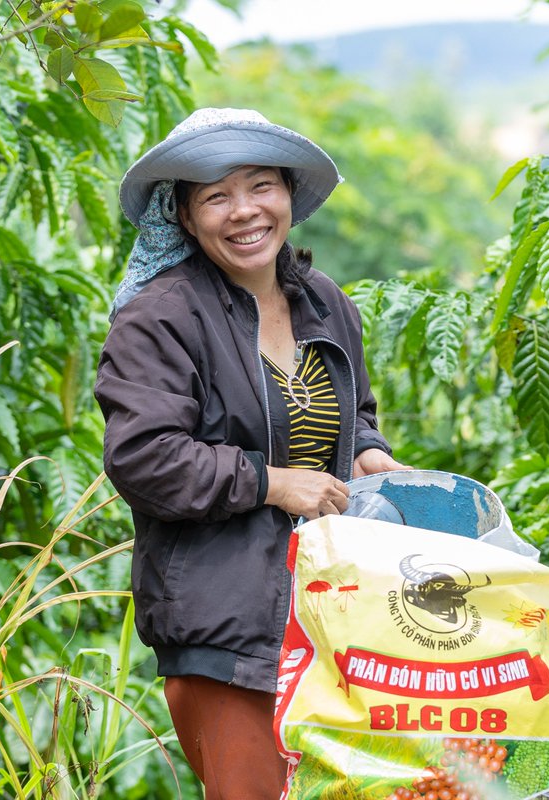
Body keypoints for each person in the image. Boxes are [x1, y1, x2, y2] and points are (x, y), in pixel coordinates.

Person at [94, 108, 407, 799]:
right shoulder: (162, 317)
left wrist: (366, 454)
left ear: (290, 194)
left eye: (260, 185)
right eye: (215, 196)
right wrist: (269, 483)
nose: (244, 212)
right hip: (226, 630)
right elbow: (144, 459)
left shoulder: (325, 302)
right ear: (183, 215)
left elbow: (349, 417)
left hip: (330, 612)